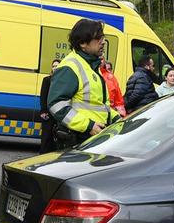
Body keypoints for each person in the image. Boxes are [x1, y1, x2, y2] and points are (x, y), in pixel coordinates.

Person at [45, 17, 122, 148]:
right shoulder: (70, 67)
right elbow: (56, 104)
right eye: (98, 38)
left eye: (103, 38)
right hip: (77, 140)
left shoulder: (92, 66)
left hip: (91, 138)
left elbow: (98, 105)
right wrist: (88, 126)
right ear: (83, 43)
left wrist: (118, 120)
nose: (103, 42)